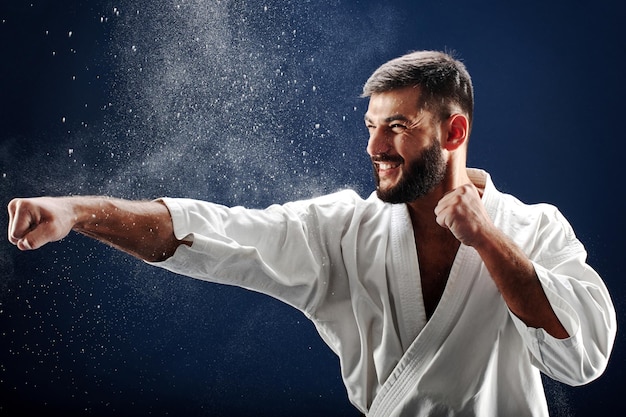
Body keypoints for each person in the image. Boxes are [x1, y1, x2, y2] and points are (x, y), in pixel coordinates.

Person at [7, 50, 616, 416]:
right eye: (372, 125)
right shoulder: (341, 231)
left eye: (398, 127)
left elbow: (584, 354)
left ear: (453, 134)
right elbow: (215, 232)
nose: (374, 147)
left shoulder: (534, 228)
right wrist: (78, 212)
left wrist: (486, 239)